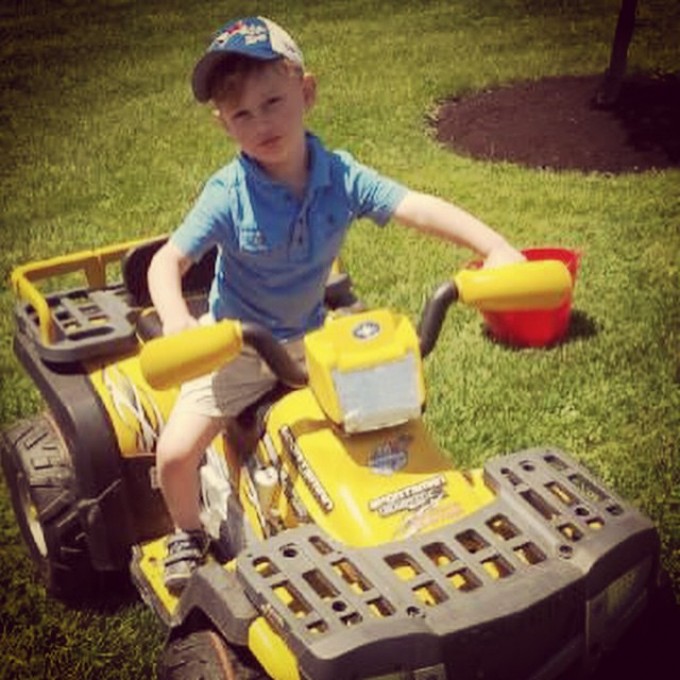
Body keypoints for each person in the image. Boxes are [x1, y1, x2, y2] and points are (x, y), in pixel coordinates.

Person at [147, 15, 525, 592]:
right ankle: (188, 534)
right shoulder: (229, 194)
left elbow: (417, 207)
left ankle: (405, 517)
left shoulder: (341, 176)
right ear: (224, 124)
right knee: (175, 453)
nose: (261, 123)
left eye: (272, 101)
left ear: (307, 92)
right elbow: (166, 262)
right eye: (241, 114)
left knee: (385, 428)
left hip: (317, 337)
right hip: (237, 344)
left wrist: (494, 247)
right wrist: (178, 321)